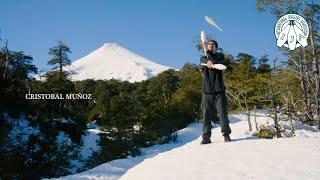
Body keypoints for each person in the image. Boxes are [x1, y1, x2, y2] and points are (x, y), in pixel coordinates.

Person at [199, 39, 232, 144]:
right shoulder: (203, 58)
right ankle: (206, 137)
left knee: (222, 113)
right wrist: (207, 62)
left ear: (216, 48)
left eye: (213, 45)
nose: (210, 46)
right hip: (206, 92)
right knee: (206, 115)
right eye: (209, 44)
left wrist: (210, 59)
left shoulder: (220, 57)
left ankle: (226, 135)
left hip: (219, 91)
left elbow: (219, 64)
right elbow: (202, 62)